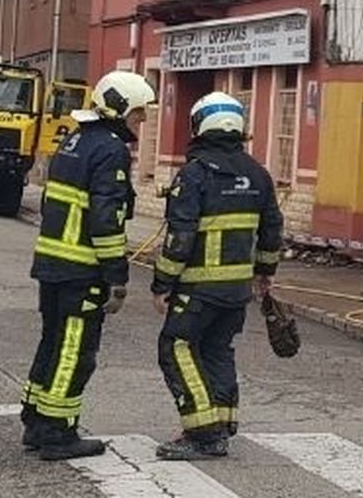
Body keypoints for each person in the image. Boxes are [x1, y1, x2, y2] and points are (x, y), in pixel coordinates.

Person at [19, 70, 154, 461]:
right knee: (75, 353)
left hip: (53, 265)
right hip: (82, 272)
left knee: (51, 343)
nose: (142, 121)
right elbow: (105, 221)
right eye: (139, 113)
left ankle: (35, 420)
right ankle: (57, 434)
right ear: (120, 108)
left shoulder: (75, 140)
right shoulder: (110, 150)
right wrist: (117, 275)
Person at [149, 92, 283, 461]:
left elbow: (180, 237)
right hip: (237, 291)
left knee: (175, 348)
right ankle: (222, 423)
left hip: (198, 289)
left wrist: (162, 284)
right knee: (216, 350)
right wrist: (264, 273)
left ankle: (203, 434)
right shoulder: (258, 173)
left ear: (199, 125)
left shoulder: (195, 174)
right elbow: (272, 228)